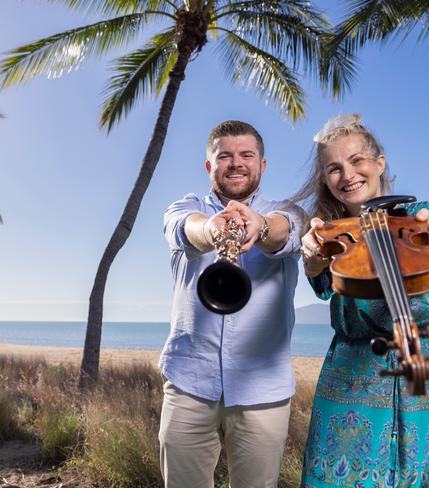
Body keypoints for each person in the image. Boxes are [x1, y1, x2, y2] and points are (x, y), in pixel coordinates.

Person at [297, 114, 429, 487]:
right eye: (334, 168)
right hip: (352, 378)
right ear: (326, 181)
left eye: (357, 160)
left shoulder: (415, 217)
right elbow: (322, 283)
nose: (347, 175)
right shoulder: (327, 234)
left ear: (379, 163)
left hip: (426, 374)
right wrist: (314, 258)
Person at [159, 120, 306, 488]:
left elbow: (286, 230)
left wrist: (258, 226)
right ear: (209, 166)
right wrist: (212, 230)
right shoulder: (187, 206)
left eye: (246, 155)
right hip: (189, 382)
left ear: (263, 165)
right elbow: (183, 227)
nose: (236, 163)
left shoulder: (288, 212)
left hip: (263, 388)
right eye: (224, 156)